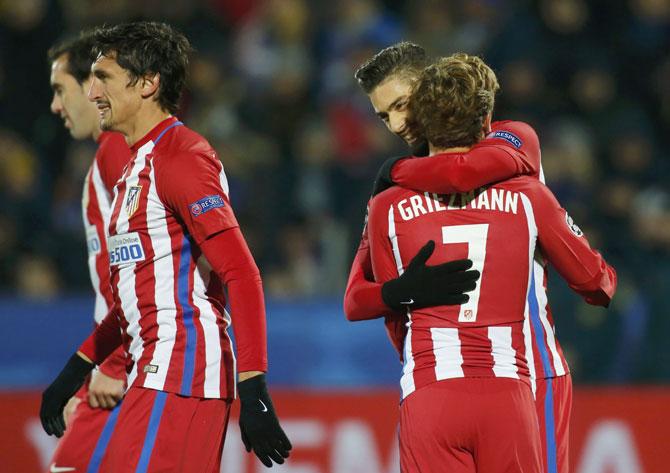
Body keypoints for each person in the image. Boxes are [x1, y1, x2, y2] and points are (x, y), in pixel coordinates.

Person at [39, 21, 291, 472]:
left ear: (148, 83)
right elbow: (140, 292)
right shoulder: (137, 163)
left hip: (182, 369)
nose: (91, 89)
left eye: (104, 77)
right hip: (156, 369)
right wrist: (76, 368)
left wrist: (255, 387)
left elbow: (241, 273)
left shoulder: (182, 157)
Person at [366, 53, 616, 472]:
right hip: (495, 376)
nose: (398, 123)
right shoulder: (411, 193)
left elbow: (462, 172)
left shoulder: (510, 139)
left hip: (522, 368)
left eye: (403, 104)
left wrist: (399, 171)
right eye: (384, 115)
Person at [46, 32, 132, 473]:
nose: (56, 106)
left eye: (61, 90)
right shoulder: (111, 153)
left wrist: (114, 364)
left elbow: (141, 269)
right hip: (127, 357)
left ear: (92, 86)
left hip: (131, 363)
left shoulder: (117, 152)